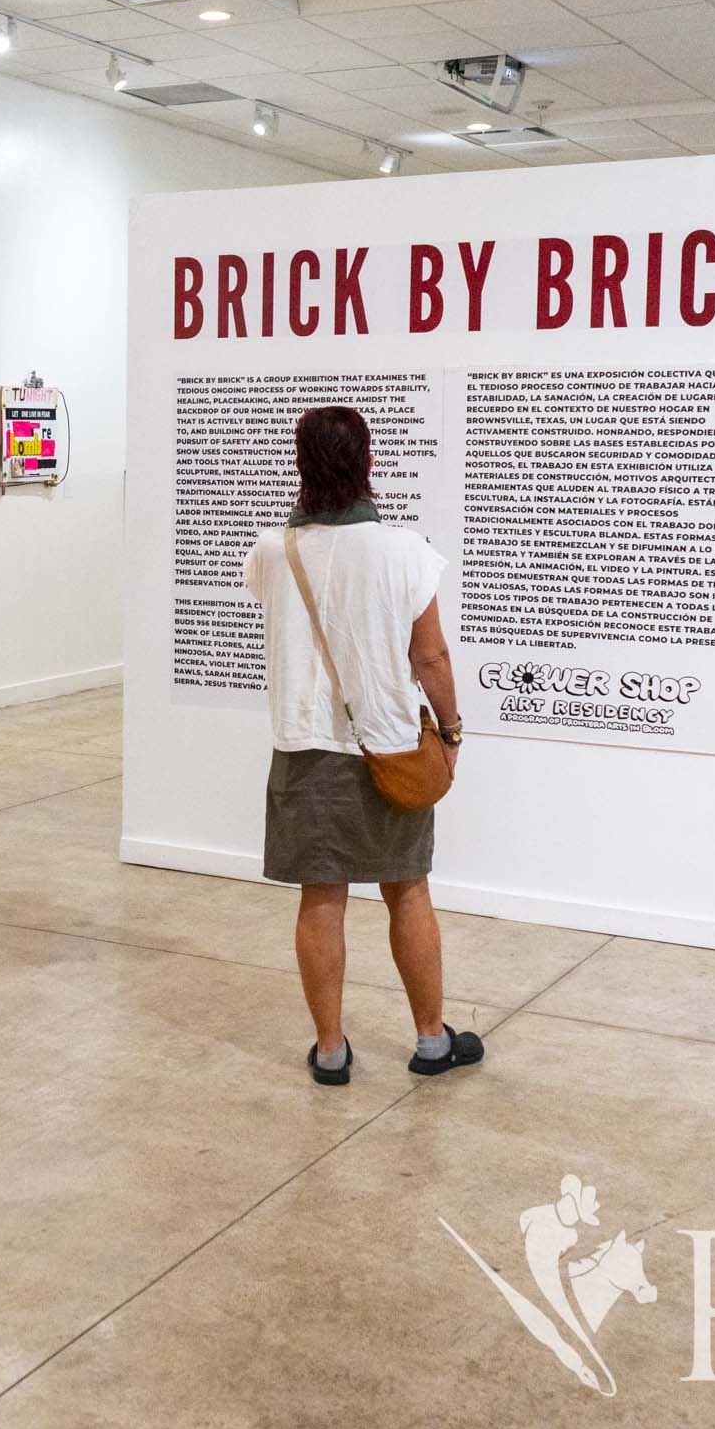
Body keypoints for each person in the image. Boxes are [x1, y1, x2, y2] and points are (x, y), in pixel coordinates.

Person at [242, 405, 479, 1085]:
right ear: (369, 463)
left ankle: (330, 1050)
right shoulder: (406, 552)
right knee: (408, 891)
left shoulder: (271, 552)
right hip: (391, 749)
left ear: (300, 465)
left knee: (322, 897)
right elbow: (430, 659)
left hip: (305, 749)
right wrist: (453, 730)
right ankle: (432, 1042)